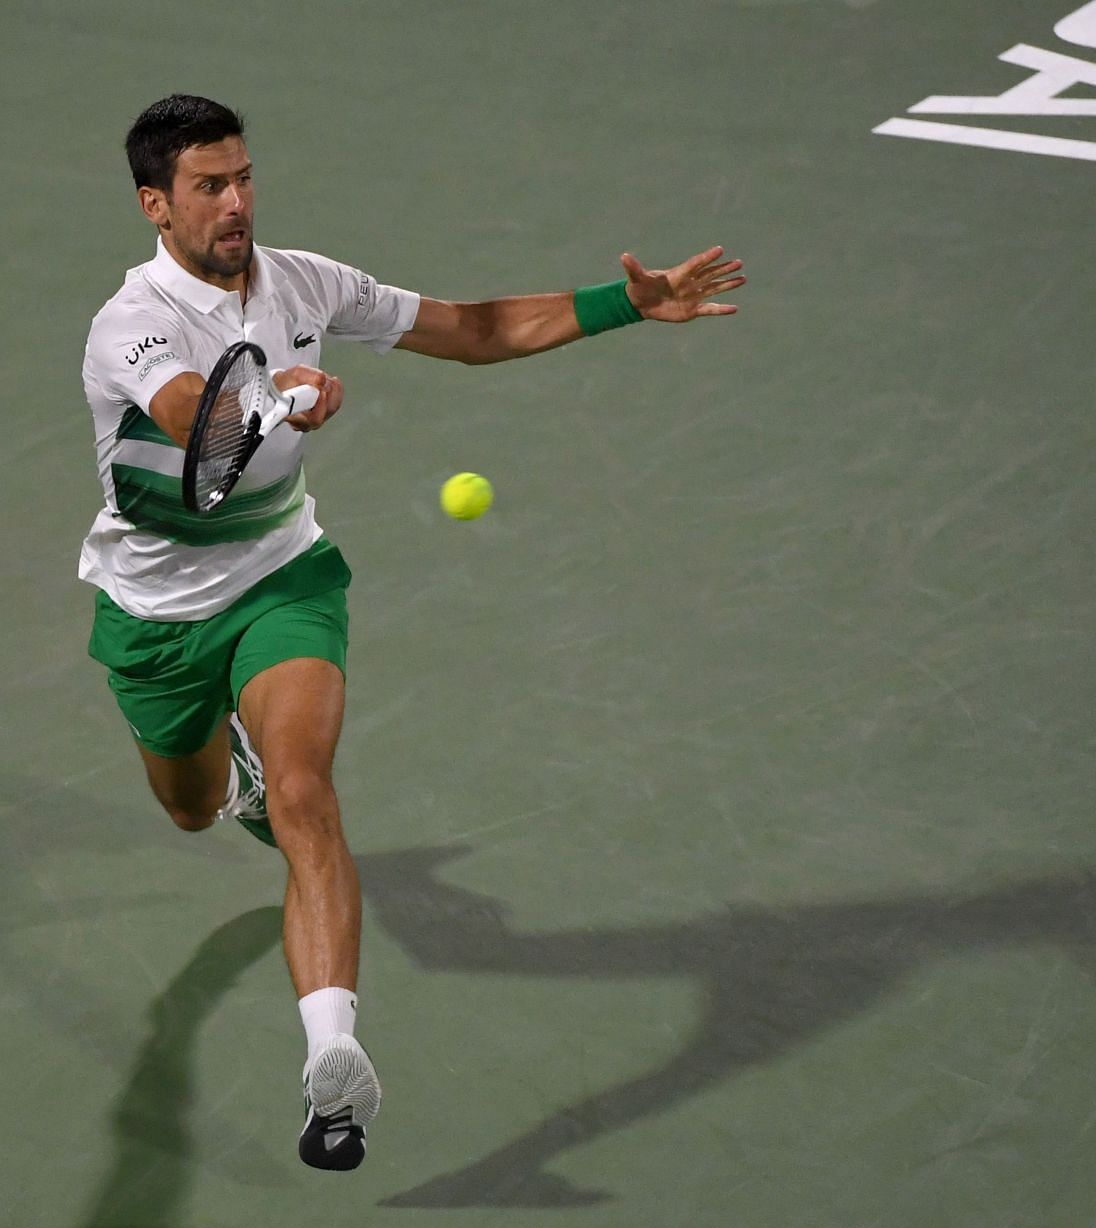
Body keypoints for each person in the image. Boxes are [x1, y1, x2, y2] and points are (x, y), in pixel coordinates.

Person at [78, 93, 745, 1173]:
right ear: (157, 205)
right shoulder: (133, 322)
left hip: (283, 579)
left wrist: (621, 306)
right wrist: (271, 398)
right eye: (209, 186)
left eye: (244, 176)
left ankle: (331, 1065)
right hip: (153, 617)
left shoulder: (306, 281)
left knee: (305, 790)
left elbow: (468, 330)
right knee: (195, 808)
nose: (237, 200)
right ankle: (228, 784)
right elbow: (189, 413)